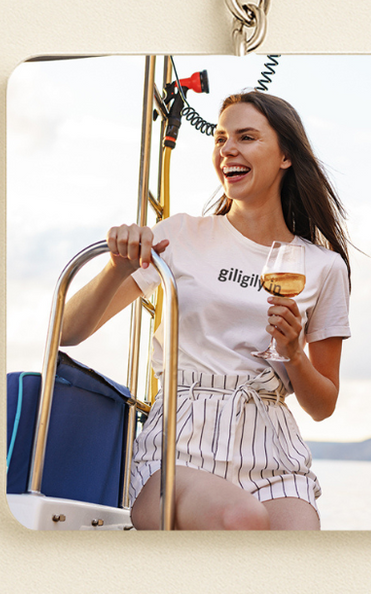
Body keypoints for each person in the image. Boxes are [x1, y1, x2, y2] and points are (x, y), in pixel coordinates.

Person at [59, 92, 350, 530]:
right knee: (239, 518)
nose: (228, 149)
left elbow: (323, 404)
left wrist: (293, 353)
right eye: (220, 138)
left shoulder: (324, 267)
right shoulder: (179, 235)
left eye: (247, 137)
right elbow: (67, 331)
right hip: (180, 441)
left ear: (286, 155)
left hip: (271, 449)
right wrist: (116, 268)